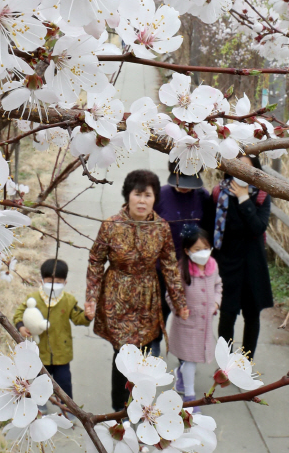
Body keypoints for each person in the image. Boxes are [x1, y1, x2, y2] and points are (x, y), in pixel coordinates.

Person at [84, 169, 189, 412]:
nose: (142, 201)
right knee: (122, 354)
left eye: (148, 196)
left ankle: (139, 407)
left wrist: (179, 302)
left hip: (147, 298)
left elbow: (171, 267)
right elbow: (95, 261)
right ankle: (119, 410)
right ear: (128, 195)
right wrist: (91, 296)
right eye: (137, 194)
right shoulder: (111, 225)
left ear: (155, 199)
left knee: (143, 353)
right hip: (116, 296)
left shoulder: (162, 228)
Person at [208, 155, 273, 358]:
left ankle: (245, 362)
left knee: (251, 315)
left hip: (253, 263)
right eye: (238, 167)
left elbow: (258, 227)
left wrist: (244, 198)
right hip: (227, 260)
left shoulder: (262, 195)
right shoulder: (219, 192)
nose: (242, 172)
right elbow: (211, 228)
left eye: (248, 168)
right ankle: (225, 362)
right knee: (227, 315)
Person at [152, 161, 214, 347]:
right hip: (162, 267)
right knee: (159, 312)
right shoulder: (160, 195)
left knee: (188, 314)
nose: (186, 188)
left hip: (190, 267)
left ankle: (186, 358)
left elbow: (208, 230)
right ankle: (153, 350)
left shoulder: (203, 197)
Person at [14, 257, 91, 400]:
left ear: (65, 283)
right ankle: (39, 405)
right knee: (38, 382)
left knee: (64, 382)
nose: (54, 285)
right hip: (39, 352)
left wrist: (87, 316)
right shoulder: (33, 298)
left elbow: (77, 318)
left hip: (62, 352)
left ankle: (68, 409)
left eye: (58, 282)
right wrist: (21, 326)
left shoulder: (68, 300)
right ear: (42, 281)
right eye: (50, 282)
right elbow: (19, 314)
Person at [166, 225, 222, 407]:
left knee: (193, 359)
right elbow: (171, 294)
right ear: (187, 251)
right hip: (187, 325)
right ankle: (189, 397)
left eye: (205, 248)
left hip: (204, 325)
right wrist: (179, 308)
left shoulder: (213, 267)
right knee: (190, 360)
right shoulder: (181, 270)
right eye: (197, 249)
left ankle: (181, 377)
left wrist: (216, 302)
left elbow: (218, 286)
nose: (202, 253)